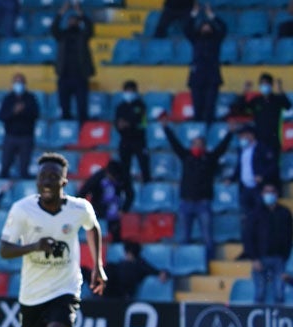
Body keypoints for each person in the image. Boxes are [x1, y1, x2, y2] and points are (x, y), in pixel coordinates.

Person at [0, 151, 105, 327]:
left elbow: (92, 228)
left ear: (64, 181)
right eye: (42, 176)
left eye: (53, 177)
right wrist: (33, 247)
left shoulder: (78, 208)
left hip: (66, 287)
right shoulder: (23, 210)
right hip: (32, 293)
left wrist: (97, 266)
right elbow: (4, 249)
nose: (46, 181)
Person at [162, 117, 232, 255]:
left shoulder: (210, 158)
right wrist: (166, 128)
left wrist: (230, 133)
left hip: (203, 202)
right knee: (184, 236)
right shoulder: (186, 156)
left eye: (200, 144)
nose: (198, 146)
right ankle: (184, 259)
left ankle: (208, 260)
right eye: (195, 144)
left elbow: (222, 148)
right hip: (186, 201)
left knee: (207, 236)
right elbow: (175, 144)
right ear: (191, 145)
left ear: (204, 146)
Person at [243, 183, 292, 304]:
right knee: (260, 293)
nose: (269, 194)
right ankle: (258, 321)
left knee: (279, 293)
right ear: (262, 194)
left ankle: (279, 321)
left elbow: (289, 236)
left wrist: (285, 258)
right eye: (266, 192)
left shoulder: (285, 213)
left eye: (272, 191)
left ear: (277, 194)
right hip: (260, 258)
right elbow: (248, 237)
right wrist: (254, 258)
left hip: (279, 259)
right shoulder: (255, 214)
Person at [51, 0, 94, 122]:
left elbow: (90, 27)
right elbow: (54, 29)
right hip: (64, 76)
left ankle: (82, 132)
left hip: (80, 76)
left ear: (78, 22)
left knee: (82, 108)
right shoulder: (63, 35)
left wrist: (80, 12)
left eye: (74, 20)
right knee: (65, 108)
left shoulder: (83, 35)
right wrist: (61, 12)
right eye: (70, 20)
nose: (72, 22)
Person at [184, 3, 226, 125]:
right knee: (197, 107)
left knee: (209, 108)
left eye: (208, 26)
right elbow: (187, 28)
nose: (206, 28)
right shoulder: (195, 39)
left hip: (212, 77)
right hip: (197, 76)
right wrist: (194, 14)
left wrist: (212, 16)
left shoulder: (216, 39)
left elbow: (223, 28)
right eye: (204, 26)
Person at [230, 74, 291, 155]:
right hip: (259, 138)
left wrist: (280, 89)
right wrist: (244, 91)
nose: (264, 86)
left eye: (266, 83)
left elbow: (288, 105)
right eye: (262, 83)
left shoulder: (277, 100)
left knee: (273, 165)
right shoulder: (256, 101)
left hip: (274, 138)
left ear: (271, 85)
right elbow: (239, 108)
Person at [77, 159, 133, 243]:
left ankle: (115, 251)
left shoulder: (122, 177)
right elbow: (83, 191)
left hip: (114, 210)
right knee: (96, 233)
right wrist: (82, 207)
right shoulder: (98, 177)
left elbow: (130, 194)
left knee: (116, 236)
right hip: (98, 208)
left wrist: (124, 209)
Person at [0, 73, 41, 178]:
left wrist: (23, 111)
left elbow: (35, 115)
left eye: (20, 82)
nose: (18, 85)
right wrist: (14, 112)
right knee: (5, 168)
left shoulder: (30, 98)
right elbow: (2, 116)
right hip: (10, 136)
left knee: (24, 171)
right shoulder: (8, 99)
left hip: (26, 137)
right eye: (16, 82)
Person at [99, 240, 168, 299]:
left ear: (129, 253)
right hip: (110, 288)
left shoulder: (139, 265)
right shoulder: (117, 264)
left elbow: (154, 271)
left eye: (127, 253)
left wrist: (161, 273)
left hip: (122, 294)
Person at [114, 80, 150, 183]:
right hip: (125, 140)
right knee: (124, 165)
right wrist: (120, 126)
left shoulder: (141, 106)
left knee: (143, 162)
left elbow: (143, 123)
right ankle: (125, 184)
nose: (129, 93)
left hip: (139, 140)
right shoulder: (120, 107)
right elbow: (117, 122)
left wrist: (129, 124)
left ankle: (147, 183)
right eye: (127, 90)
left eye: (131, 90)